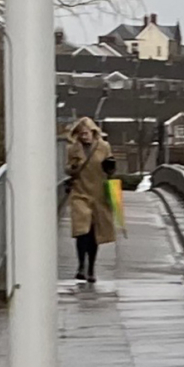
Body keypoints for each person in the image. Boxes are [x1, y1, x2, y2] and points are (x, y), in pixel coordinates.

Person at [62, 116, 120, 283]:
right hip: (80, 192)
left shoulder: (104, 147)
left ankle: (91, 268)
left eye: (86, 133)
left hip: (99, 194)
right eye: (80, 134)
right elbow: (67, 169)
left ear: (93, 132)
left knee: (95, 234)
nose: (83, 137)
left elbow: (110, 168)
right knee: (82, 231)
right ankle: (81, 265)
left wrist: (110, 168)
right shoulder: (73, 148)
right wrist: (73, 167)